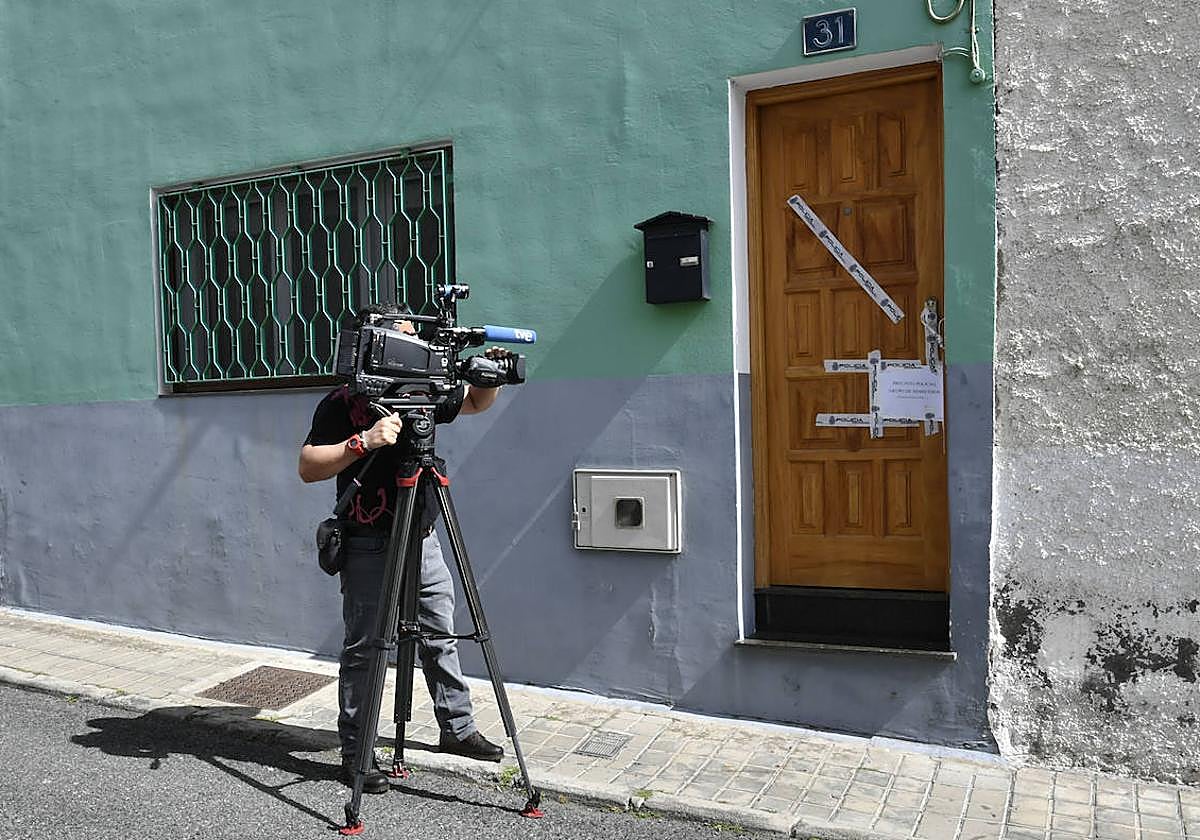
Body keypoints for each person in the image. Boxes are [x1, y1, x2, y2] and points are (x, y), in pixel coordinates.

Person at [299, 303, 507, 794]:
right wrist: (363, 442)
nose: (418, 343)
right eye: (409, 335)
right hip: (369, 540)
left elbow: (476, 403)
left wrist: (488, 376)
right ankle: (358, 752)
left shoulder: (425, 390)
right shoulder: (343, 402)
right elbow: (308, 465)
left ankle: (456, 728)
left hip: (422, 535)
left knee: (440, 630)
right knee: (367, 647)